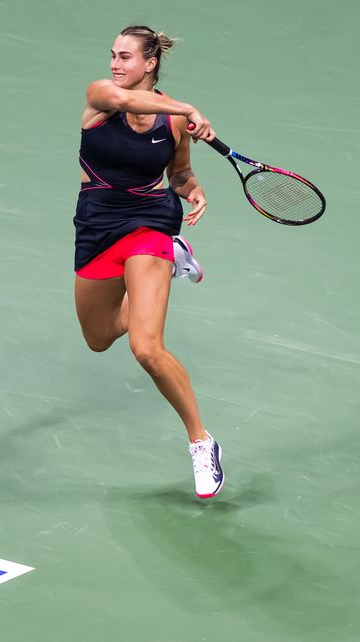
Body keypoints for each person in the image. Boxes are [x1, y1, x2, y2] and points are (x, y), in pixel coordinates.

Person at [73, 25, 225, 498]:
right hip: (97, 225)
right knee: (98, 339)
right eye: (113, 56)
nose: (116, 65)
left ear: (150, 63)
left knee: (146, 347)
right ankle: (170, 265)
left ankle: (201, 441)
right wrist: (187, 107)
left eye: (126, 58)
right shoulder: (101, 96)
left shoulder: (173, 122)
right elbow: (127, 102)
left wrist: (192, 188)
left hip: (149, 221)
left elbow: (178, 173)